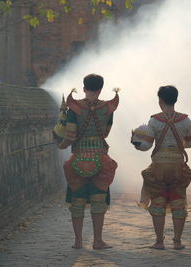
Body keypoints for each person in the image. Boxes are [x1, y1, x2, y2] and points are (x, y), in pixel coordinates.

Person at [53, 74, 119, 249]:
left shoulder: (74, 107)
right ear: (100, 89)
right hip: (100, 157)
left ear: (83, 88)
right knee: (98, 200)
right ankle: (97, 241)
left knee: (78, 200)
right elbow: (105, 132)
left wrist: (61, 144)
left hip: (78, 158)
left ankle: (78, 241)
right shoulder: (108, 107)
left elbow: (71, 135)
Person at [132, 85, 191, 250]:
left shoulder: (154, 121)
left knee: (158, 202)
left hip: (158, 166)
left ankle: (159, 242)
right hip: (178, 165)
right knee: (178, 201)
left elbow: (146, 146)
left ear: (160, 100)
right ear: (175, 99)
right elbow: (190, 143)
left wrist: (137, 143)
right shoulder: (185, 120)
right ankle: (177, 242)